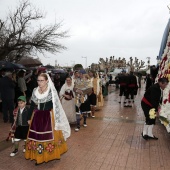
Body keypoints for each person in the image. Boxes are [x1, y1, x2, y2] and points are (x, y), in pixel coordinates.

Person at [25, 73, 70, 165]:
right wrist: (28, 118)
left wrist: (57, 119)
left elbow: (57, 106)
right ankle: (39, 158)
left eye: (41, 80)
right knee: (36, 138)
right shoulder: (35, 90)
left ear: (46, 81)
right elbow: (32, 106)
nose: (39, 82)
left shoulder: (51, 92)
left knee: (47, 138)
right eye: (38, 80)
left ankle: (49, 155)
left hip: (48, 116)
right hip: (37, 116)